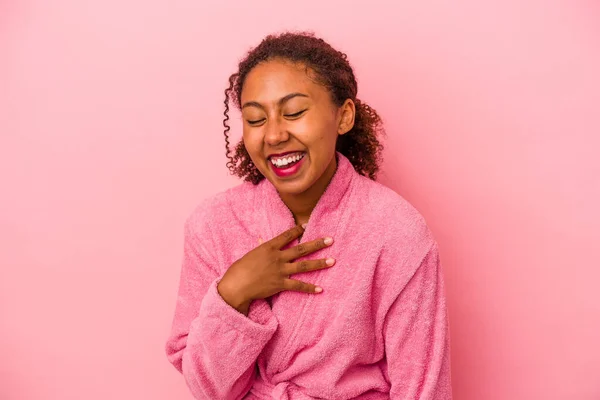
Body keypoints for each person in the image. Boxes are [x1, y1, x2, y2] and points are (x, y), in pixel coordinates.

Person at [165, 31, 452, 399]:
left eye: (295, 112)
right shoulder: (214, 224)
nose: (273, 135)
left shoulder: (397, 230)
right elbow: (207, 387)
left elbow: (422, 387)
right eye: (255, 119)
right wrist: (235, 290)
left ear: (344, 116)